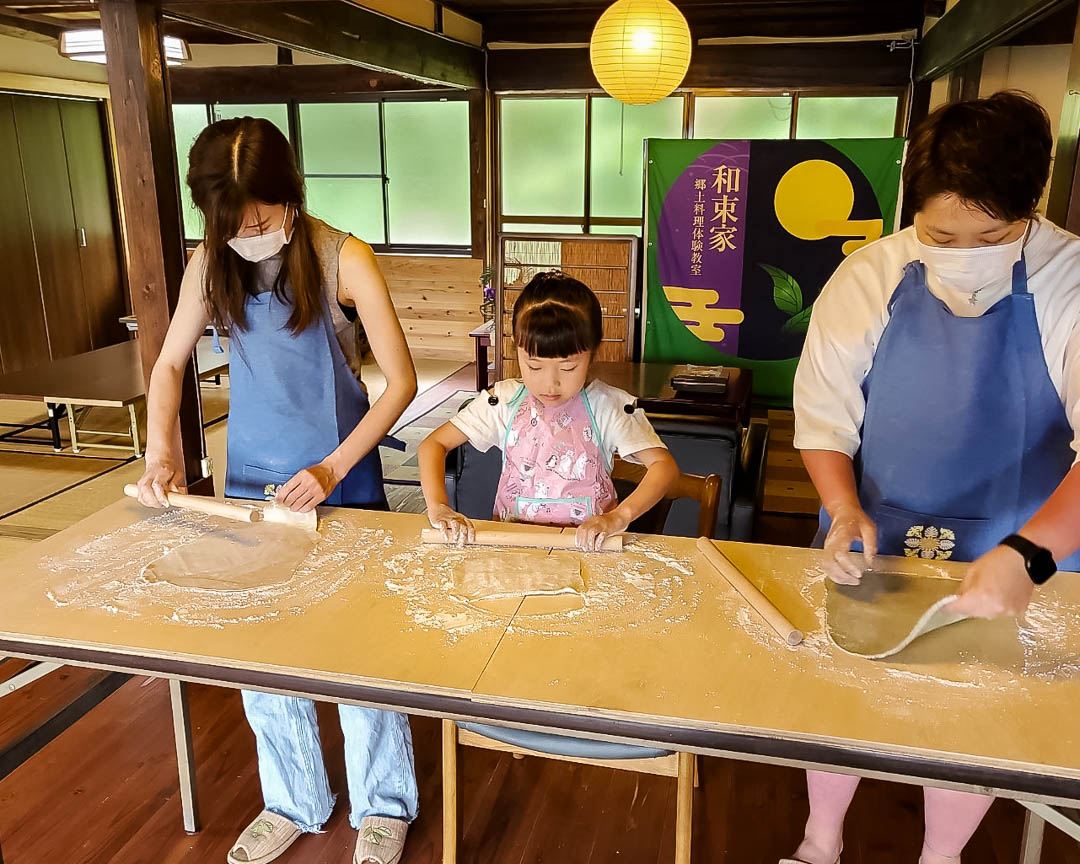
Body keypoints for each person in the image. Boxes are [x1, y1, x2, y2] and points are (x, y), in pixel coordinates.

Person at [787, 90, 1080, 864]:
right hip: (878, 527)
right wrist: (841, 506)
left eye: (988, 235)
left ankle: (940, 857)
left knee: (973, 708)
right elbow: (823, 417)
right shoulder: (870, 275)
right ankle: (821, 843)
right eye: (939, 233)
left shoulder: (1069, 282)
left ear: (1029, 209)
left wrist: (1031, 555)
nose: (959, 253)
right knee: (845, 690)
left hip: (1026, 541)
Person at [134, 117, 419, 864]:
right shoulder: (210, 264)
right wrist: (162, 448)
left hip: (343, 484)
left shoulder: (341, 257)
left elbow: (402, 383)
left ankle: (384, 804)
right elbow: (168, 367)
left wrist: (332, 467)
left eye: (258, 217)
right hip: (253, 490)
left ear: (289, 195)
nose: (246, 233)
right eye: (231, 222)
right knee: (263, 649)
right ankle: (294, 797)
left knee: (358, 654)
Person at [418, 270, 679, 550]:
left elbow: (664, 467)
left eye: (568, 367)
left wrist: (618, 517)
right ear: (516, 348)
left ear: (593, 354)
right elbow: (433, 444)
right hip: (514, 549)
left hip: (589, 552)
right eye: (534, 366)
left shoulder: (608, 406)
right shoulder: (504, 402)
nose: (550, 383)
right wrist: (439, 507)